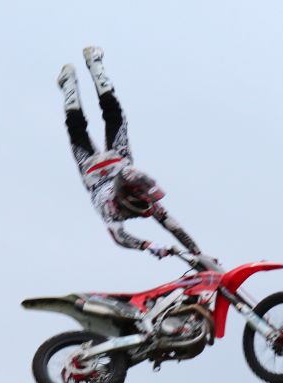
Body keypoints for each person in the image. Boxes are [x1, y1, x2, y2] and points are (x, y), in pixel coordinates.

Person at [58, 47, 200, 259]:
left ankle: (77, 76)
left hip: (107, 167)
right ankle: (82, 73)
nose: (147, 203)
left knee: (88, 124)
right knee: (105, 119)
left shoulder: (142, 195)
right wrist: (150, 246)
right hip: (101, 167)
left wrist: (197, 253)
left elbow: (170, 224)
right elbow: (120, 236)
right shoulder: (110, 208)